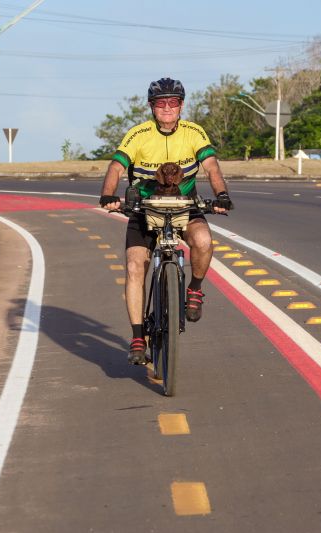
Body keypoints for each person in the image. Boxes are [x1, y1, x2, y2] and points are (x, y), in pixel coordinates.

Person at [99, 77, 233, 365]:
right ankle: (137, 336)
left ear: (182, 106)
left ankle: (194, 289)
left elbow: (211, 166)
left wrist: (221, 194)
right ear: (152, 107)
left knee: (204, 241)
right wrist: (108, 194)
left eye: (174, 102)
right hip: (145, 208)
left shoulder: (194, 133)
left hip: (184, 205)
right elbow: (116, 166)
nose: (168, 108)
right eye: (161, 103)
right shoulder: (139, 134)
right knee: (136, 265)